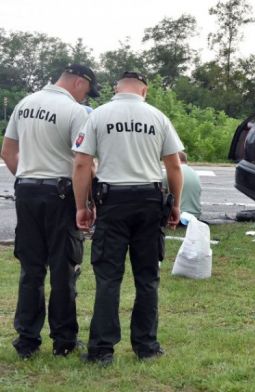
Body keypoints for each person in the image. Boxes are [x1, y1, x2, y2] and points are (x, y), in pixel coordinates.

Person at [72, 71, 184, 365]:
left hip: (113, 202)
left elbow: (83, 162)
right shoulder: (157, 117)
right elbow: (174, 165)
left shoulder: (98, 115)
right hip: (150, 201)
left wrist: (82, 206)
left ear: (116, 88)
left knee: (108, 277)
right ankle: (146, 346)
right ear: (144, 90)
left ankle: (101, 350)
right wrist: (175, 204)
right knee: (147, 277)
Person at [0, 63, 99, 359]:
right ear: (79, 82)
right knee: (63, 267)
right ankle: (64, 339)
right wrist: (87, 203)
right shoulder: (75, 112)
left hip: (27, 189)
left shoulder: (25, 104)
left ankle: (27, 339)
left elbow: (7, 151)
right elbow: (83, 163)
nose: (85, 98)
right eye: (86, 92)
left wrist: (27, 178)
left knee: (31, 269)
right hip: (60, 194)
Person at [163, 151, 202, 220]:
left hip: (177, 215)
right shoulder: (194, 173)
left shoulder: (169, 173)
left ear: (175, 159)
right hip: (195, 215)